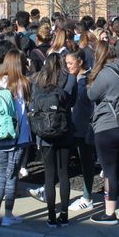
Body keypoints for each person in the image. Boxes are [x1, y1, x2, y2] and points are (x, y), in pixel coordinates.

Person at [86, 41, 119, 224]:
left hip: (108, 125)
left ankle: (109, 213)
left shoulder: (105, 74)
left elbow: (92, 95)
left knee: (110, 171)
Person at [30, 53, 77, 227]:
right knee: (63, 173)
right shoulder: (70, 79)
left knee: (49, 175)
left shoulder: (37, 81)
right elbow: (72, 101)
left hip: (44, 132)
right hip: (64, 130)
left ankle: (51, 215)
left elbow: (33, 103)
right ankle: (64, 214)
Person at [0, 48, 32, 226]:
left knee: (1, 176)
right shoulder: (22, 83)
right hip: (17, 136)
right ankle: (8, 215)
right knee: (12, 176)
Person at [65, 50, 97, 212]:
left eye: (70, 63)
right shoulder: (73, 79)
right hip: (74, 127)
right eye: (67, 63)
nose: (68, 66)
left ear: (80, 62)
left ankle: (87, 196)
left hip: (85, 128)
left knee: (86, 163)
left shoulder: (89, 79)